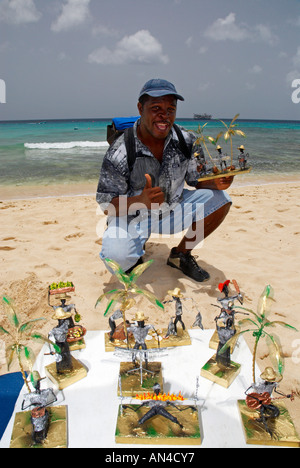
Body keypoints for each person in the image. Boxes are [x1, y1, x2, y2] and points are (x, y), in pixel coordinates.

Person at [96, 78, 233, 282]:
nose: (164, 115)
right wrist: (140, 201)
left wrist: (216, 182)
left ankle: (180, 255)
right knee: (117, 261)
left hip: (172, 210)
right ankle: (134, 248)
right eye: (156, 108)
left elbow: (197, 180)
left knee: (221, 199)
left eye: (170, 109)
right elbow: (107, 205)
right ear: (140, 108)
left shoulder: (186, 141)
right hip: (132, 217)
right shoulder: (121, 150)